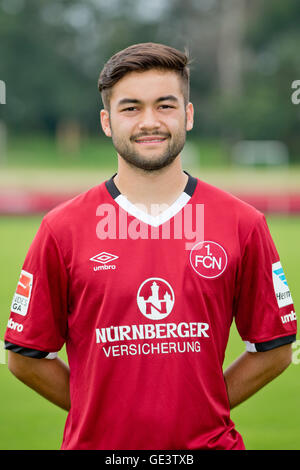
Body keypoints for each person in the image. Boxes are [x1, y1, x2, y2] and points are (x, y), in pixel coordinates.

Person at [4, 42, 297, 450]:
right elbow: (25, 356)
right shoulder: (61, 229)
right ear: (107, 122)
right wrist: (101, 410)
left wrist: (200, 409)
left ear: (188, 115)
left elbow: (275, 348)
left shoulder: (243, 224)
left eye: (165, 105)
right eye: (131, 108)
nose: (149, 121)